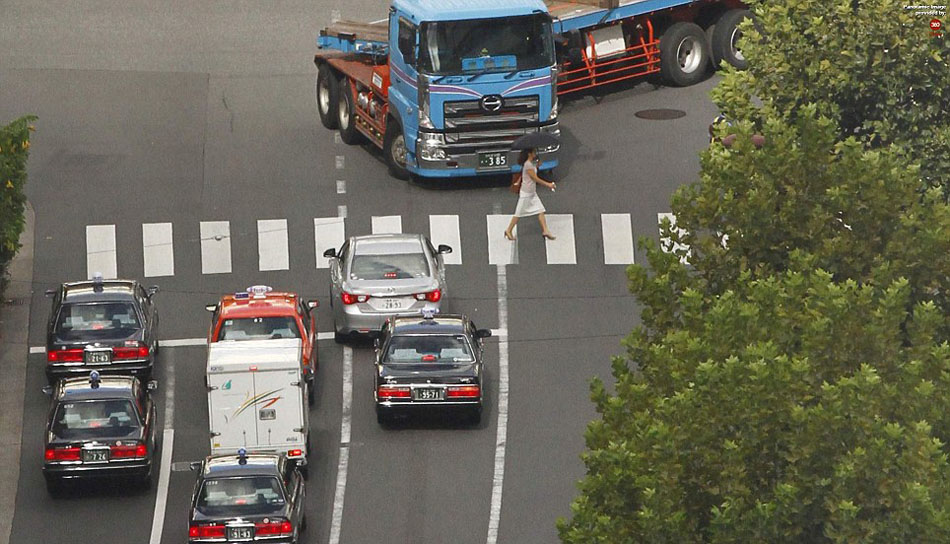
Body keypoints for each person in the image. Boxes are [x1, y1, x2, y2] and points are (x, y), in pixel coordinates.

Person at [504, 148, 557, 241]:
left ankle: (545, 230)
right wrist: (548, 184)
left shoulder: (530, 164)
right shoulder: (528, 164)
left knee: (540, 210)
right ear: (529, 154)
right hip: (526, 193)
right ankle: (508, 230)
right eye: (533, 152)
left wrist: (537, 166)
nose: (535, 153)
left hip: (532, 192)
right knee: (518, 213)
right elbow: (535, 178)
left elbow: (533, 172)